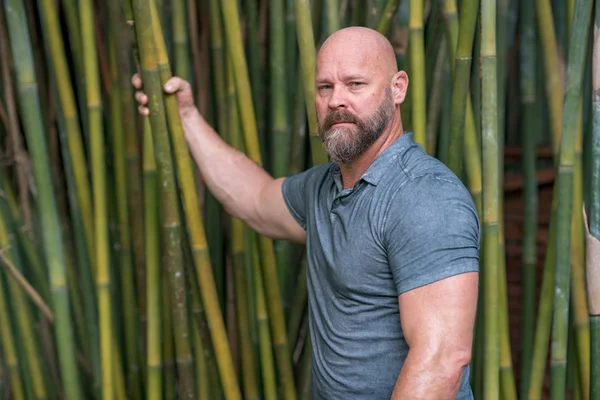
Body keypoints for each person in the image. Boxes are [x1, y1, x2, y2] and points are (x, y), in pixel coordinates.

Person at [134, 26, 480, 400]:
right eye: (325, 87)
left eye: (355, 84)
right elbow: (254, 199)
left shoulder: (424, 196)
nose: (336, 101)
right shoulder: (324, 188)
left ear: (397, 88)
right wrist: (186, 117)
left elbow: (442, 359)